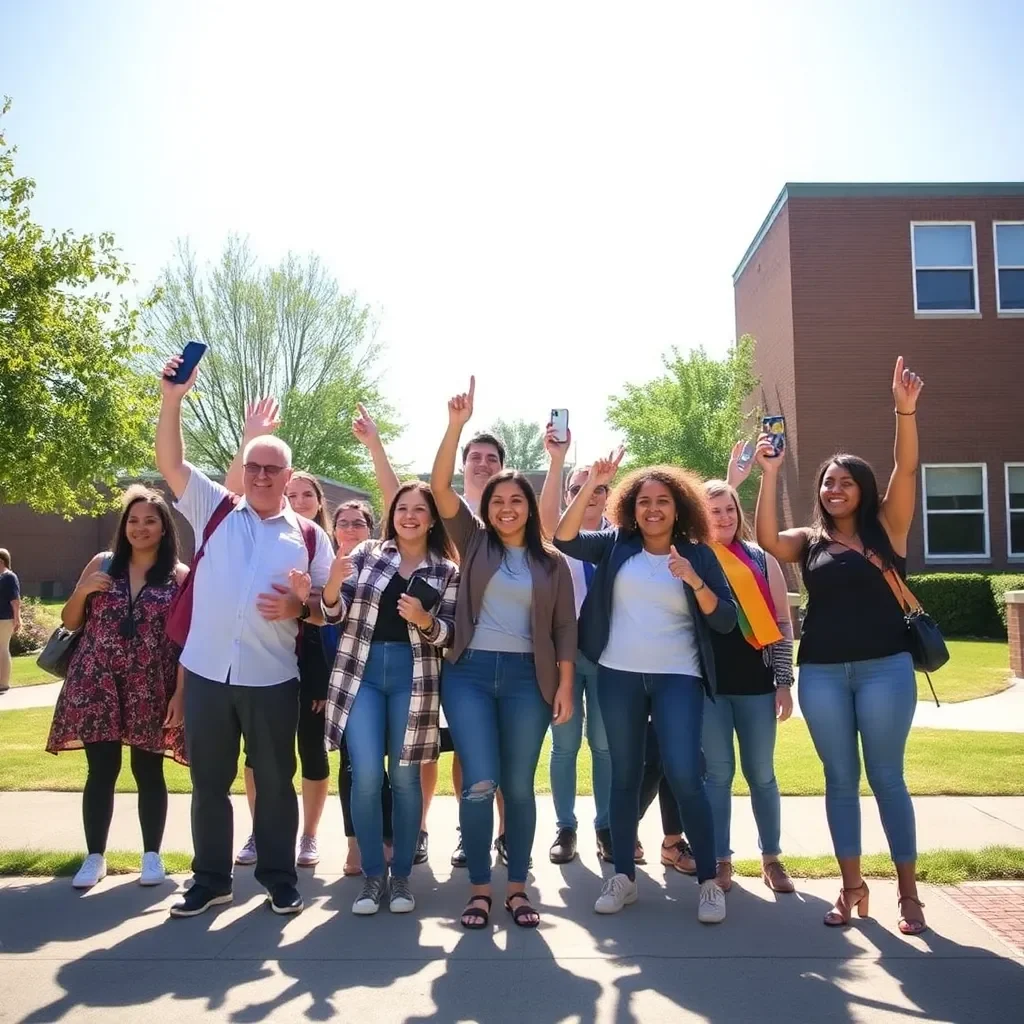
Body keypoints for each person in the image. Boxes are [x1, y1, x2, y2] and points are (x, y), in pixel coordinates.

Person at [755, 356, 927, 934]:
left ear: (862, 489)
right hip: (824, 673)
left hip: (886, 669)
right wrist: (770, 472)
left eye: (843, 481)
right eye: (827, 482)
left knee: (886, 776)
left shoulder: (888, 529)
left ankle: (908, 894)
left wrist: (903, 410)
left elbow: (906, 468)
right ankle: (852, 889)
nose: (833, 489)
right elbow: (765, 540)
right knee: (838, 780)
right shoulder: (808, 541)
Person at [156, 357, 334, 918]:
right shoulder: (214, 508)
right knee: (209, 782)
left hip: (272, 679)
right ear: (244, 467)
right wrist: (172, 399)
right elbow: (171, 461)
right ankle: (210, 880)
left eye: (271, 470)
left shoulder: (308, 535)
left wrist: (300, 605)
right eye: (253, 465)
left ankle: (279, 878)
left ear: (289, 477)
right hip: (208, 673)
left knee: (277, 784)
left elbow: (330, 609)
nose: (261, 476)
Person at [554, 453, 737, 924]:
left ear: (680, 508)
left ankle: (708, 884)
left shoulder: (698, 554)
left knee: (683, 771)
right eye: (643, 501)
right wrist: (593, 482)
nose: (653, 509)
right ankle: (621, 878)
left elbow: (724, 619)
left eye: (663, 501)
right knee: (624, 773)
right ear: (630, 508)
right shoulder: (615, 544)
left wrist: (694, 580)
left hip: (679, 675)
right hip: (618, 673)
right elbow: (564, 538)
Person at [431, 376, 576, 930]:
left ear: (528, 506)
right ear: (486, 508)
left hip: (527, 680)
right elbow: (442, 485)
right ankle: (478, 891)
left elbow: (565, 627)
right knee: (479, 780)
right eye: (499, 501)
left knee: (517, 786)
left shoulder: (551, 562)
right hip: (468, 674)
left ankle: (516, 888)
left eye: (517, 500)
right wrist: (455, 426)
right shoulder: (473, 542)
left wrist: (563, 687)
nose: (508, 508)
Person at [317, 481, 459, 915]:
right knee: (365, 775)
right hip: (361, 672)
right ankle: (372, 877)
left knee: (404, 777)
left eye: (419, 510)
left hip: (413, 677)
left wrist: (424, 619)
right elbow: (333, 612)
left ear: (432, 519)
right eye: (402, 508)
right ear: (391, 514)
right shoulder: (366, 555)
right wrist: (329, 586)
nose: (410, 516)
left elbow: (451, 635)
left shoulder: (446, 571)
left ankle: (401, 879)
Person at [45, 486, 188, 889]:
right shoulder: (103, 563)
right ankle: (94, 857)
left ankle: (152, 856)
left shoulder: (179, 576)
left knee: (149, 769)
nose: (140, 528)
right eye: (133, 520)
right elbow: (71, 622)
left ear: (164, 528)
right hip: (97, 679)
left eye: (150, 521)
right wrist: (82, 590)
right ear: (124, 526)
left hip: (151, 683)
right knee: (101, 770)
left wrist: (181, 694)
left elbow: (187, 643)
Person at [222, 399, 339, 872]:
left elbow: (330, 613)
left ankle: (308, 836)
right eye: (299, 494)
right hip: (264, 666)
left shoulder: (315, 542)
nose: (301, 500)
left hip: (310, 664)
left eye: (309, 494)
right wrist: (251, 435)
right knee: (260, 756)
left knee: (310, 751)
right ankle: (260, 830)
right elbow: (224, 499)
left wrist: (302, 603)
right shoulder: (247, 530)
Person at [701, 474, 795, 894]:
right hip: (710, 688)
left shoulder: (760, 559)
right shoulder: (694, 559)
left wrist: (784, 681)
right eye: (713, 510)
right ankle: (722, 860)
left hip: (757, 685)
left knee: (761, 774)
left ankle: (772, 858)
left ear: (738, 513)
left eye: (729, 509)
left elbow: (781, 623)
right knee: (717, 775)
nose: (722, 517)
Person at [427, 423, 509, 868]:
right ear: (463, 464)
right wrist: (455, 424)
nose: (482, 464)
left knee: (508, 752)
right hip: (453, 649)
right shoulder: (449, 515)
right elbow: (435, 486)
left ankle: (508, 833)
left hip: (510, 655)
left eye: (491, 458)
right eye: (474, 457)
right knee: (465, 747)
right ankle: (468, 830)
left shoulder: (513, 516)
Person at [538, 426, 613, 865]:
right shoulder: (553, 540)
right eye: (580, 487)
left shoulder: (621, 537)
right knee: (564, 747)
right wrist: (556, 458)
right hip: (562, 660)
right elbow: (549, 521)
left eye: (599, 488)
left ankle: (605, 826)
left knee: (604, 747)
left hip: (608, 659)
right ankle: (566, 827)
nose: (590, 495)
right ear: (569, 493)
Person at [0, 548, 21, 694]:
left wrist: (17, 618)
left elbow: (15, 600)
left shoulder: (9, 577)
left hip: (5, 618)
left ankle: (3, 683)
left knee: (2, 648)